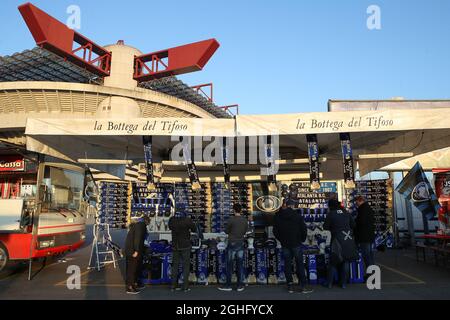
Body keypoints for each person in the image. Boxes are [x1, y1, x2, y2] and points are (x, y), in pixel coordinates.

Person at [273, 199, 313, 294]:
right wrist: (302, 239)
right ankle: (303, 285)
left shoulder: (278, 216)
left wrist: (281, 240)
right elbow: (304, 229)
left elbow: (275, 231)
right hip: (296, 243)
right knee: (299, 264)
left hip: (285, 244)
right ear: (292, 206)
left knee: (287, 264)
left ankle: (290, 285)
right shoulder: (297, 216)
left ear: (285, 205)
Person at [324, 198, 357, 289]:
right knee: (345, 261)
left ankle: (329, 283)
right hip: (347, 239)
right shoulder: (346, 213)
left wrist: (333, 228)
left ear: (330, 206)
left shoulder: (331, 214)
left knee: (333, 262)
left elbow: (325, 226)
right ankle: (343, 284)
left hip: (336, 240)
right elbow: (353, 225)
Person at [219, 203, 249, 292]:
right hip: (240, 243)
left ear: (234, 210)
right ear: (241, 210)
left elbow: (226, 231)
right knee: (240, 265)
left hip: (232, 243)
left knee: (230, 265)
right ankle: (240, 285)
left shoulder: (231, 220)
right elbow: (245, 232)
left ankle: (228, 285)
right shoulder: (244, 220)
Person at [169, 212, 197, 292]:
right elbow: (194, 229)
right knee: (186, 266)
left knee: (175, 266)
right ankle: (185, 287)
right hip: (185, 246)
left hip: (175, 245)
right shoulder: (187, 220)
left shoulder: (172, 220)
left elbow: (170, 227)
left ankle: (173, 286)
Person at [125, 213, 150, 294]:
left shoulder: (137, 225)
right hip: (133, 251)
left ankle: (134, 283)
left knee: (135, 268)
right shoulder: (141, 226)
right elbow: (137, 239)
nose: (148, 225)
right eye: (148, 223)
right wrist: (136, 250)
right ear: (146, 221)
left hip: (131, 249)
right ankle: (130, 287)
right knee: (132, 269)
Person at [355, 196, 376, 277]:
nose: (356, 203)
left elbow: (361, 222)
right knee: (370, 255)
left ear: (360, 201)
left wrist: (355, 223)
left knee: (366, 255)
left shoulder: (362, 209)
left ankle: (370, 275)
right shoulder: (368, 208)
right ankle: (373, 273)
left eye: (356, 201)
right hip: (370, 236)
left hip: (364, 236)